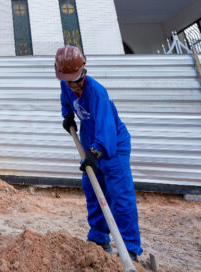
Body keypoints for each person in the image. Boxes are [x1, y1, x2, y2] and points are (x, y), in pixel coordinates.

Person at [57, 45, 142, 262]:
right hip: (90, 142)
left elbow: (106, 127)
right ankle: (99, 238)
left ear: (83, 71)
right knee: (93, 191)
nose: (72, 86)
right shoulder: (66, 84)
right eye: (68, 81)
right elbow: (66, 100)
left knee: (119, 195)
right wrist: (67, 116)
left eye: (75, 80)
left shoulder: (96, 91)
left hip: (112, 145)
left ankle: (130, 248)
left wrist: (95, 152)